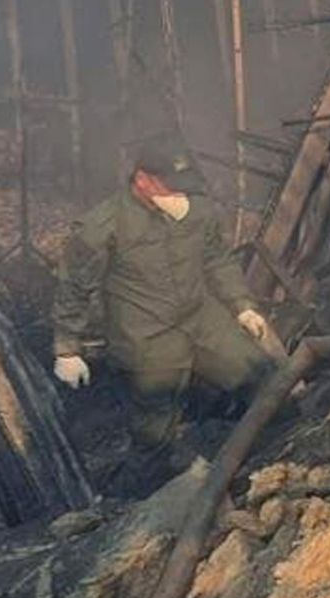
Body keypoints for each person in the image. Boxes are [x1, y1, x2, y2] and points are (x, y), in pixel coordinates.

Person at [50, 136, 272, 469]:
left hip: (202, 319)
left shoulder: (196, 209)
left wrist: (242, 305)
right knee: (155, 429)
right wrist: (67, 349)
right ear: (142, 180)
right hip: (147, 336)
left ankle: (268, 459)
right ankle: (149, 502)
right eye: (169, 185)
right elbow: (74, 287)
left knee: (262, 377)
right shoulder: (102, 226)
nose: (179, 192)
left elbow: (217, 259)